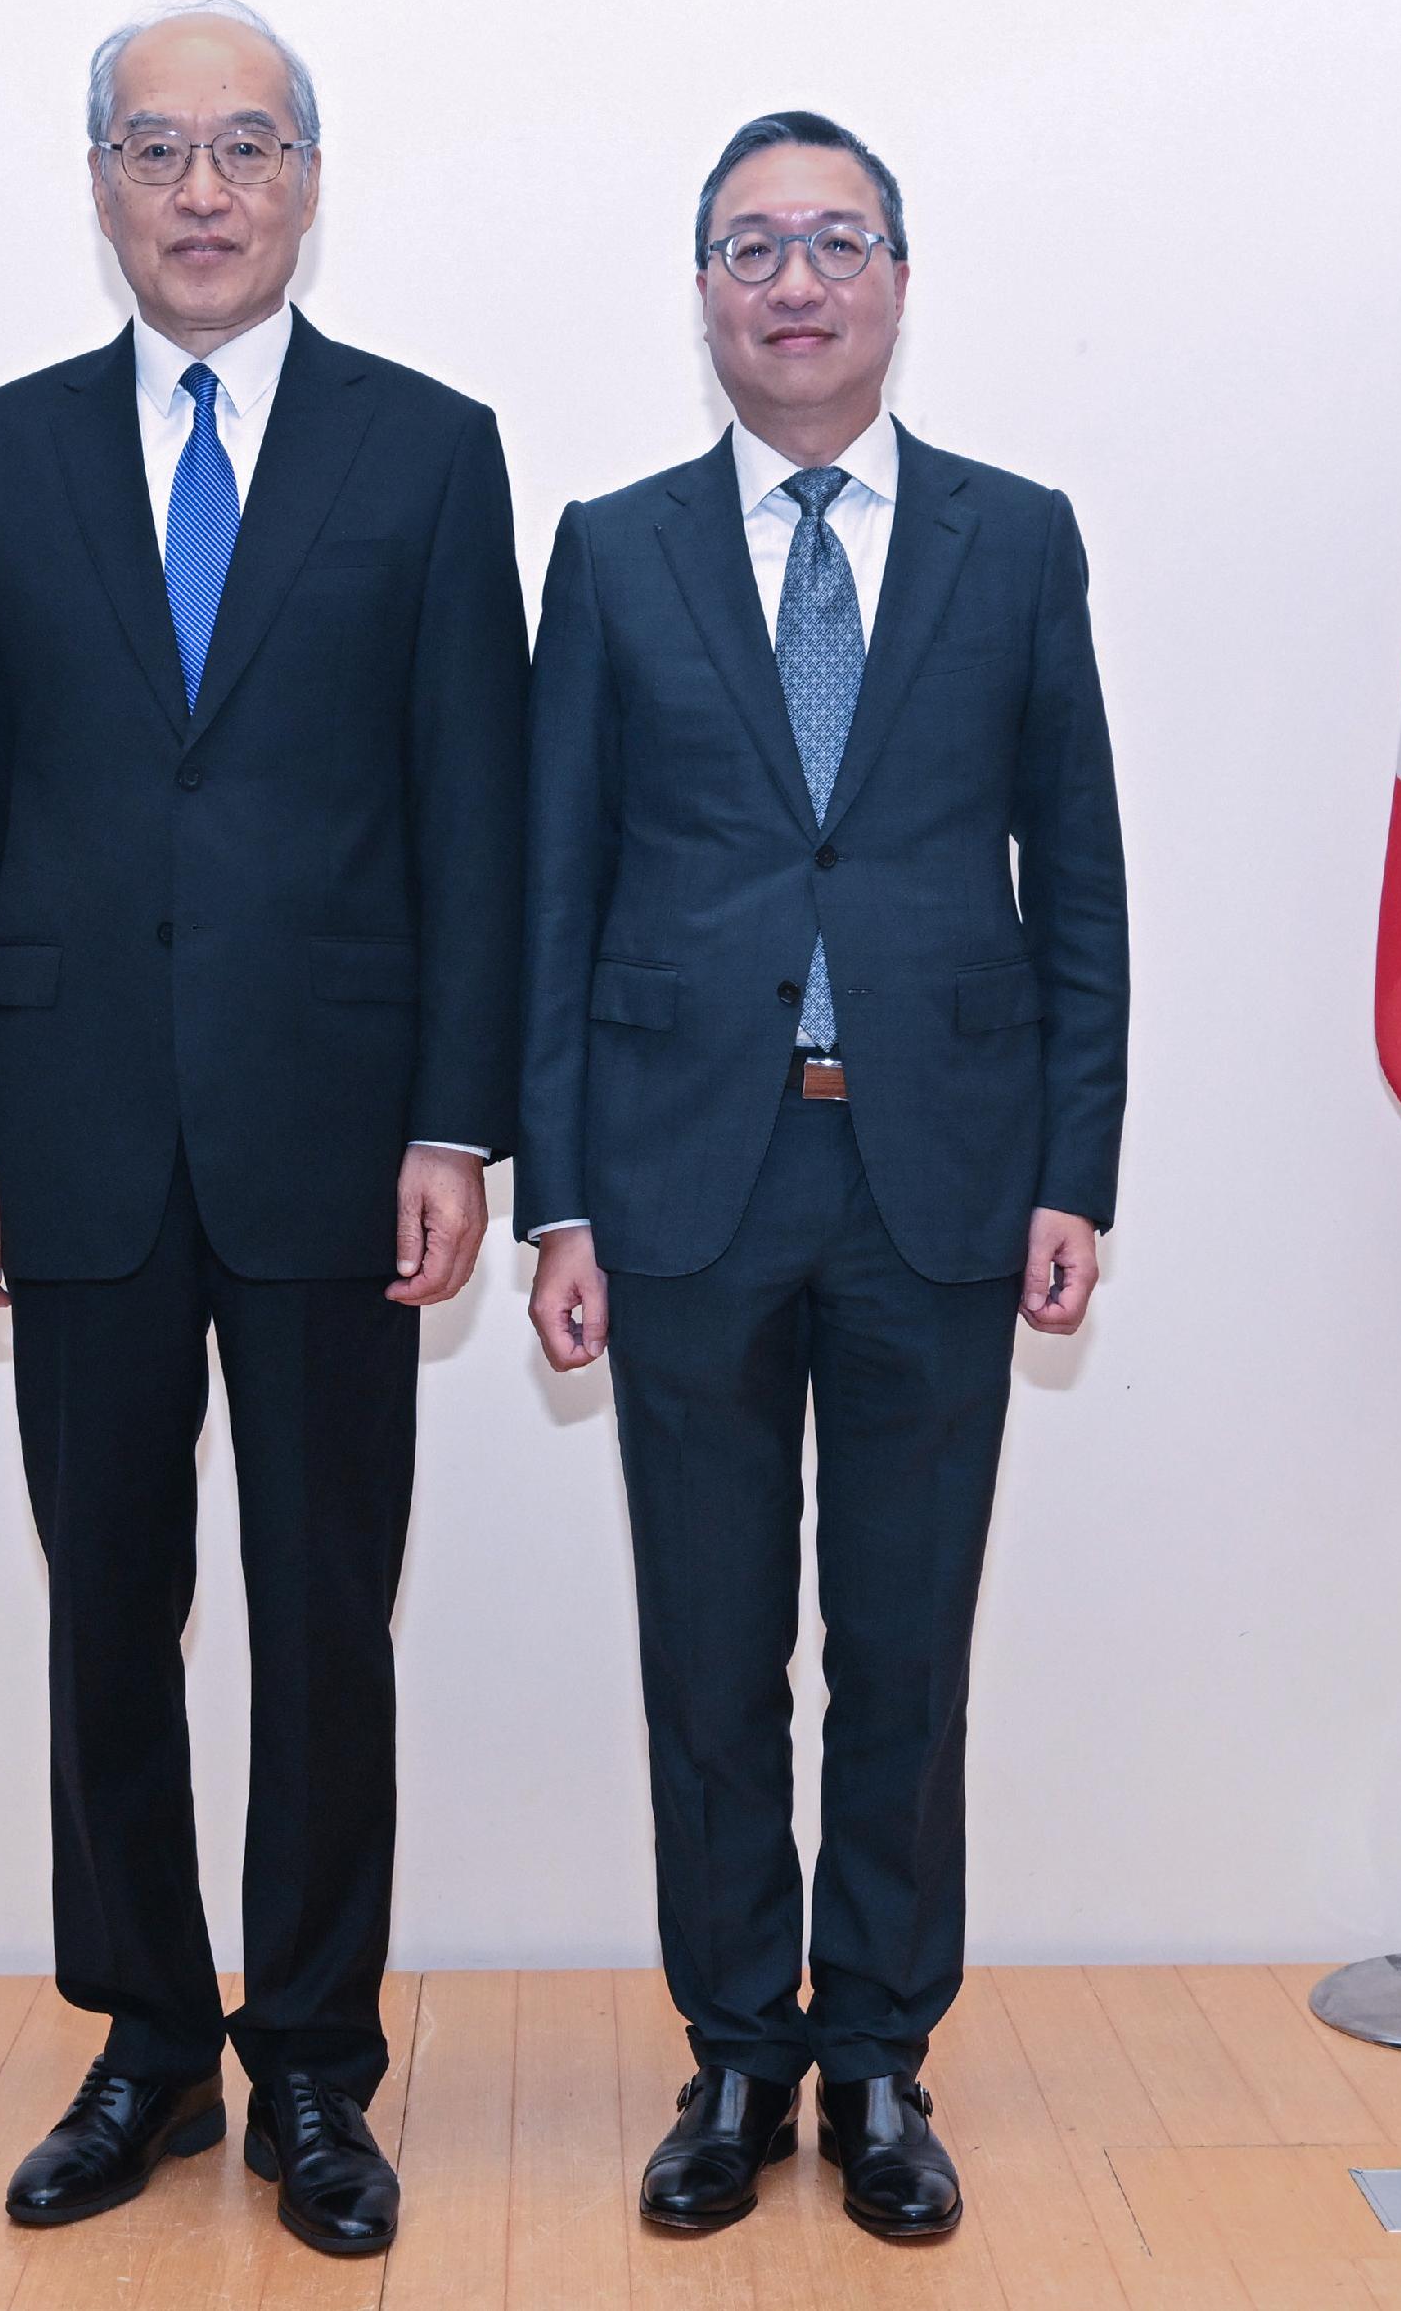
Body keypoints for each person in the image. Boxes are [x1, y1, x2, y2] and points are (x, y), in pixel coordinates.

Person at [0, 0, 527, 2260]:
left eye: (243, 145)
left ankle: (319, 2069)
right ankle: (149, 2041)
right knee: (108, 1607)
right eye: (154, 148)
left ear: (305, 179)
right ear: (98, 183)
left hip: (341, 1134)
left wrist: (462, 1123)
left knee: (324, 1609)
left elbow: (478, 812)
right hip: (62, 1133)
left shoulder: (430, 455)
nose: (200, 189)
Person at [518, 111, 1129, 2243]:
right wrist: (556, 1197)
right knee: (706, 1650)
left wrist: (1077, 1165)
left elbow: (1080, 885)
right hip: (683, 1178)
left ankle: (872, 2055)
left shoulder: (1011, 538)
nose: (793, 279)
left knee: (900, 1645)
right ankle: (733, 2058)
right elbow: (553, 888)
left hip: (938, 1176)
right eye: (749, 246)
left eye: (833, 241)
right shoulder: (608, 550)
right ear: (700, 291)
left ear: (895, 277)